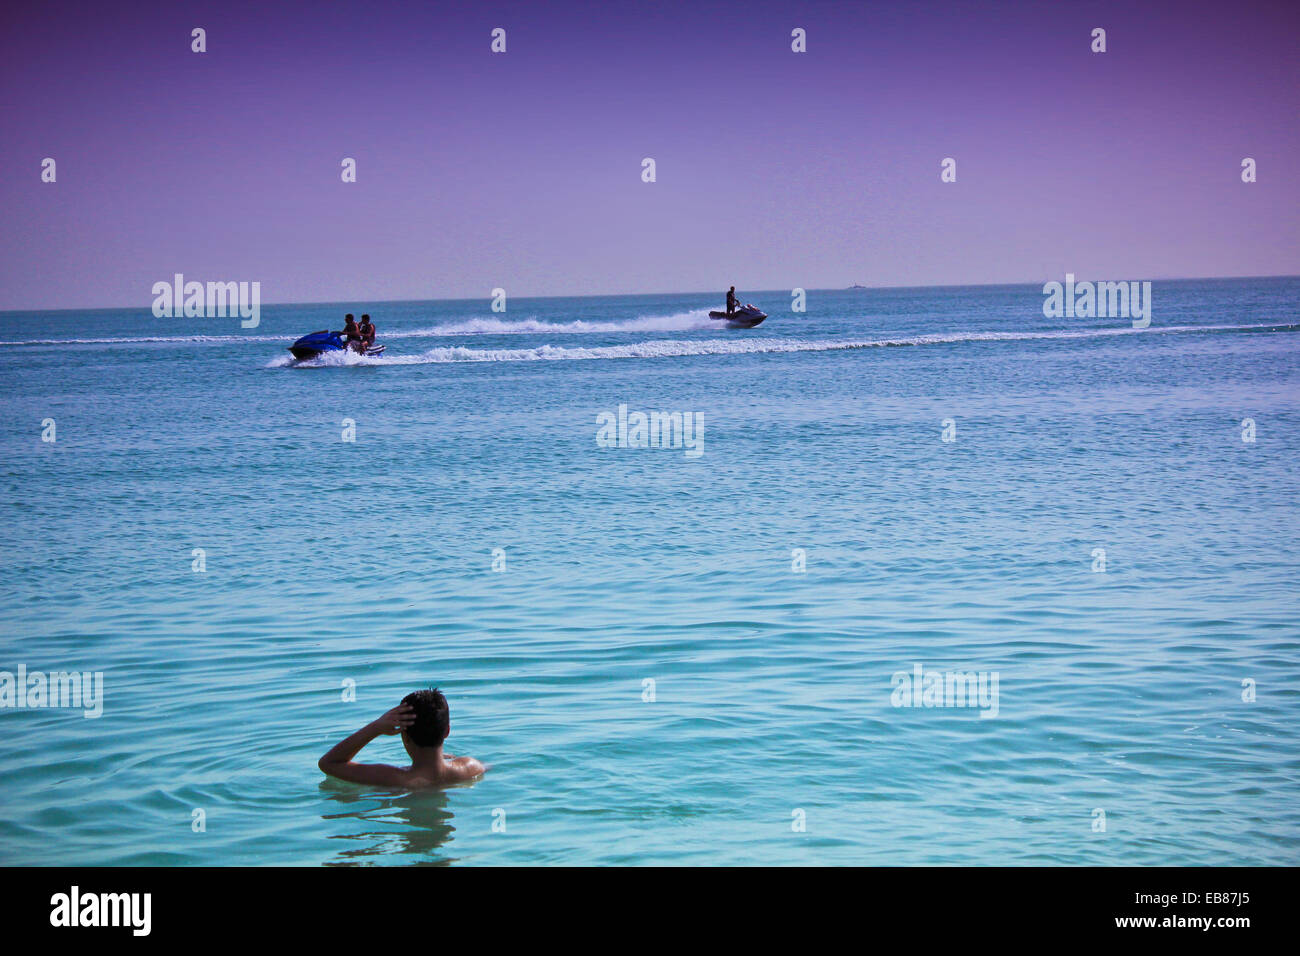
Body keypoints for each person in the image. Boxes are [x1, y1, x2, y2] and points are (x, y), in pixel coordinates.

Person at [318, 688, 485, 789]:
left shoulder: (393, 778)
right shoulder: (470, 768)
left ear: (403, 735)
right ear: (447, 731)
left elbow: (329, 763)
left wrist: (376, 727)